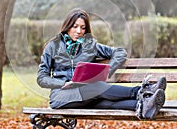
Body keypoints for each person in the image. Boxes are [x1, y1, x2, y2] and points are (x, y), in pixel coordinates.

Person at [37, 8, 166, 119]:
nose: (78, 31)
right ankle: (143, 91)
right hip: (61, 95)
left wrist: (109, 69)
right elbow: (41, 78)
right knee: (97, 86)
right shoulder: (53, 46)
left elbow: (120, 52)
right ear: (67, 26)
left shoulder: (90, 46)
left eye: (83, 28)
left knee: (104, 102)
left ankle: (145, 106)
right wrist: (63, 84)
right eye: (74, 26)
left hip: (87, 93)